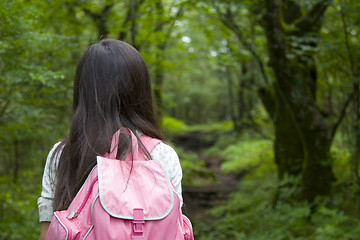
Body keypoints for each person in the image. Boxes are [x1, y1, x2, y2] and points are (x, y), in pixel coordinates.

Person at [37, 39, 183, 240]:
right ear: (140, 89)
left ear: (83, 90)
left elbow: (48, 232)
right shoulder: (161, 155)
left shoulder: (63, 154)